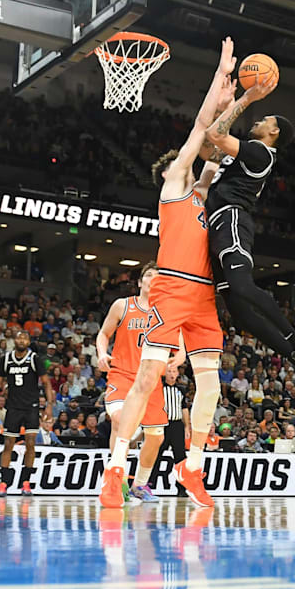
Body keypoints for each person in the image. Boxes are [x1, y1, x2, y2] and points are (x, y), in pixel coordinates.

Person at [99, 38, 238, 509]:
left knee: (212, 385)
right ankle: (116, 468)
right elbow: (202, 131)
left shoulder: (203, 195)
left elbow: (216, 146)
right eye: (194, 162)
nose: (202, 165)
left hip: (204, 298)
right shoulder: (174, 186)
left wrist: (232, 108)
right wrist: (222, 85)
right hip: (173, 289)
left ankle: (192, 468)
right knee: (148, 376)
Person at [202, 62, 295, 408]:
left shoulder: (259, 152)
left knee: (242, 287)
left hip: (231, 220)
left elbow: (214, 137)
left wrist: (244, 99)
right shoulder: (248, 149)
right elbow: (207, 145)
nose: (258, 122)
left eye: (265, 120)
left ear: (274, 133)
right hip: (217, 222)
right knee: (239, 313)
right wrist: (223, 105)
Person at [97, 262, 183, 504]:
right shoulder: (122, 305)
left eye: (158, 276)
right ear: (140, 282)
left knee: (156, 437)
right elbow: (103, 334)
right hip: (122, 375)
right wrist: (102, 353)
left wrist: (175, 360)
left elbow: (181, 349)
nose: (153, 279)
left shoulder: (166, 314)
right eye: (148, 275)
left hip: (152, 382)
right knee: (119, 419)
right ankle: (118, 478)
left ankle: (140, 485)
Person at [0, 330, 52, 497]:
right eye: (19, 337)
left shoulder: (34, 359)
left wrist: (48, 405)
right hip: (13, 407)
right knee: (8, 444)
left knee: (30, 443)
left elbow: (47, 383)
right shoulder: (5, 359)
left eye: (25, 337)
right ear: (14, 339)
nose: (21, 340)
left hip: (31, 407)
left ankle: (26, 483)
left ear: (28, 341)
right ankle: (3, 483)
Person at [155, 363, 189, 497]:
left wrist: (187, 426)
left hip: (177, 425)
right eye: (169, 371)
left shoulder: (181, 389)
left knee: (181, 458)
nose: (172, 374)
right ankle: (147, 486)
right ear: (164, 373)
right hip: (161, 425)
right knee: (155, 456)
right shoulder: (158, 388)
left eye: (174, 371)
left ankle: (181, 488)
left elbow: (184, 409)